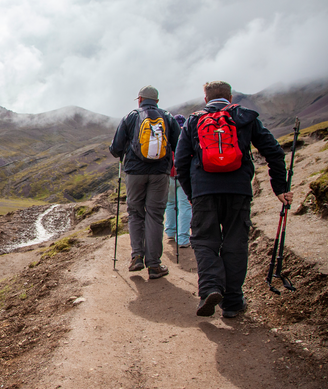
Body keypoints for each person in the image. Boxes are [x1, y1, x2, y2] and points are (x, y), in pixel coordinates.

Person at [175, 81, 292, 318]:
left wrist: (191, 193)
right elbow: (274, 151)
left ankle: (210, 288)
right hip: (238, 190)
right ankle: (232, 302)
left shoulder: (194, 120)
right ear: (230, 97)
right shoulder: (245, 117)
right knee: (235, 243)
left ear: (206, 99)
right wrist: (280, 187)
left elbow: (181, 161)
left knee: (205, 242)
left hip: (204, 191)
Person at [109, 85, 180, 279]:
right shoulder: (167, 117)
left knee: (135, 214)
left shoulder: (130, 117)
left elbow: (115, 148)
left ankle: (137, 257)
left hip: (135, 173)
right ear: (156, 101)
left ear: (139, 99)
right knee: (155, 216)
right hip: (160, 173)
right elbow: (179, 144)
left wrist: (122, 150)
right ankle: (154, 265)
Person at [165, 114, 192, 248]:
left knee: (170, 203)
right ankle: (183, 238)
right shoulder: (187, 136)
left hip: (168, 174)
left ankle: (170, 231)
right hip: (183, 175)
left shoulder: (168, 135)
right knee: (184, 205)